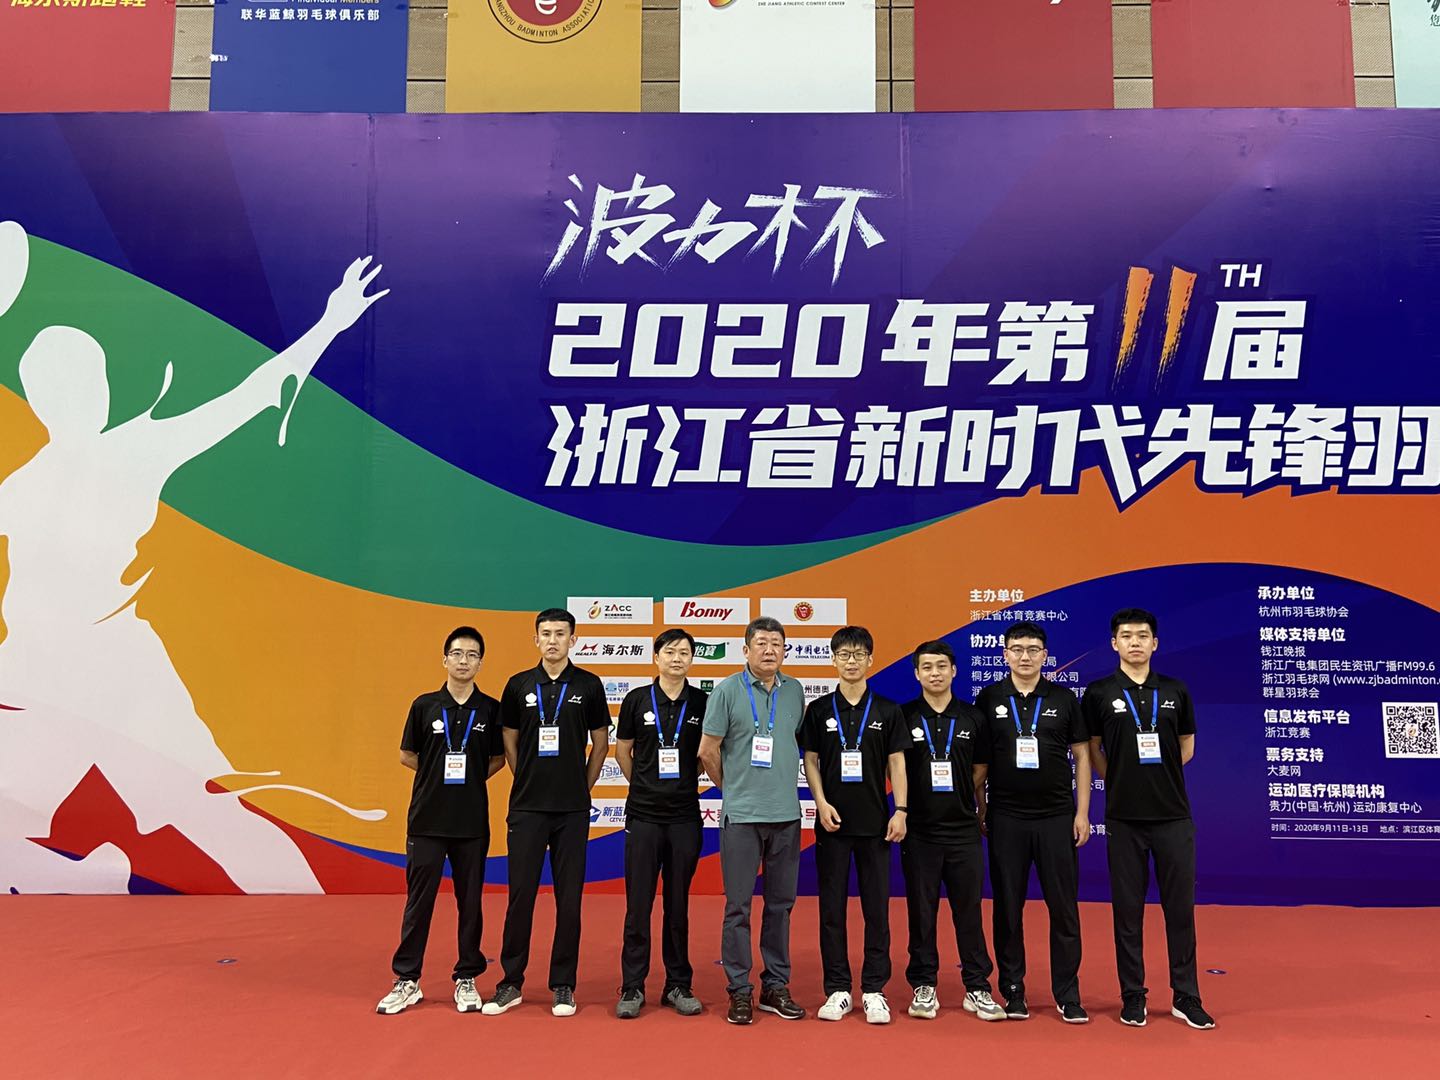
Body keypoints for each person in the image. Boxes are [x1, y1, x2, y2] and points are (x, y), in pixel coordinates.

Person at [0, 230, 387, 895]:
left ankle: (296, 908)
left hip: (117, 672)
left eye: (88, 381)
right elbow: (253, 395)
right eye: (64, 386)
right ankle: (90, 875)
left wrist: (328, 324)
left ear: (102, 389)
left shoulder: (127, 453)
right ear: (40, 399)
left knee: (211, 811)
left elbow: (251, 396)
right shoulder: (21, 487)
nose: (82, 396)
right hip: (39, 674)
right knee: (18, 814)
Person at [1082, 608, 1215, 1030]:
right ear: (1114, 644)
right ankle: (1133, 996)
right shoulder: (1099, 692)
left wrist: (1160, 775)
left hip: (1173, 816)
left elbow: (1187, 746)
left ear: (1155, 643)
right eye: (1126, 635)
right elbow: (1093, 748)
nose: (1135, 642)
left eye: (1142, 635)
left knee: (1180, 910)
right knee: (1127, 911)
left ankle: (1186, 996)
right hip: (1124, 818)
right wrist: (1121, 778)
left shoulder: (1175, 690)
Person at [485, 608, 610, 1018]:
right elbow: (508, 737)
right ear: (535, 639)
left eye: (560, 633)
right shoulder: (518, 684)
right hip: (527, 809)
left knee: (568, 900)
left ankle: (563, 984)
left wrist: (582, 787)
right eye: (546, 633)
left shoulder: (588, 685)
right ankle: (511, 982)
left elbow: (600, 743)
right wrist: (525, 778)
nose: (553, 640)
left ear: (573, 640)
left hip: (572, 810)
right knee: (520, 897)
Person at [377, 627, 504, 1015]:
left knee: (471, 904)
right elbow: (407, 755)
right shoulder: (425, 705)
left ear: (480, 663)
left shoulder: (490, 709)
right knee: (418, 903)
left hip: (470, 824)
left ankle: (467, 977)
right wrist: (438, 774)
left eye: (472, 655)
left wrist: (468, 779)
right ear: (445, 659)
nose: (464, 661)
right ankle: (407, 979)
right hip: (427, 821)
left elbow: (497, 759)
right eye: (457, 654)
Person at [973, 621, 1092, 1024]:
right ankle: (1013, 989)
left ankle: (1068, 993)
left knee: (1064, 908)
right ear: (1005, 654)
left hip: (1056, 817)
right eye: (1017, 649)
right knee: (1008, 907)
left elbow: (1082, 756)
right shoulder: (989, 698)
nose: (1025, 656)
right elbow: (980, 762)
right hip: (1007, 817)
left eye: (1033, 649)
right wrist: (981, 807)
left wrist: (1082, 812)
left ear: (1045, 655)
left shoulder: (1063, 698)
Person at [698, 616, 807, 1025]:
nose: (769, 650)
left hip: (786, 816)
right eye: (761, 643)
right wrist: (732, 789)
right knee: (738, 907)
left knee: (780, 906)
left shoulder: (794, 690)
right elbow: (708, 750)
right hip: (742, 817)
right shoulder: (727, 690)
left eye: (776, 643)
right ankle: (739, 990)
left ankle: (775, 986)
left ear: (784, 650)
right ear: (746, 650)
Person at [802, 626, 910, 1025]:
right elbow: (810, 760)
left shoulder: (887, 710)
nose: (851, 661)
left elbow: (897, 763)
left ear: (870, 660)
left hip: (875, 825)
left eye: (859, 654)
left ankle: (874, 989)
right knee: (831, 910)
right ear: (833, 660)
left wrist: (901, 810)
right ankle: (837, 989)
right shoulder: (818, 710)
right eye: (844, 655)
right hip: (832, 825)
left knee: (876, 910)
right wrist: (820, 802)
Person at [899, 640, 1005, 1022]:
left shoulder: (973, 717)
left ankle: (977, 986)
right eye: (927, 667)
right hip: (919, 831)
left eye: (941, 666)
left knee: (969, 911)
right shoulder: (904, 716)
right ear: (917, 674)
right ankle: (923, 984)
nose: (935, 673)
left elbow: (981, 768)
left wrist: (964, 796)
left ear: (954, 670)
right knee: (921, 912)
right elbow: (894, 768)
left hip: (963, 830)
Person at [614, 629, 708, 1019]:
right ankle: (632, 986)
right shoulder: (637, 700)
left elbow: (707, 753)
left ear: (692, 659)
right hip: (643, 816)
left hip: (684, 816)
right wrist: (644, 785)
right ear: (656, 657)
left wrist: (684, 781)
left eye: (684, 652)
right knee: (638, 906)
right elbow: (623, 751)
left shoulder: (703, 702)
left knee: (678, 905)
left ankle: (677, 985)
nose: (677, 658)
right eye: (670, 652)